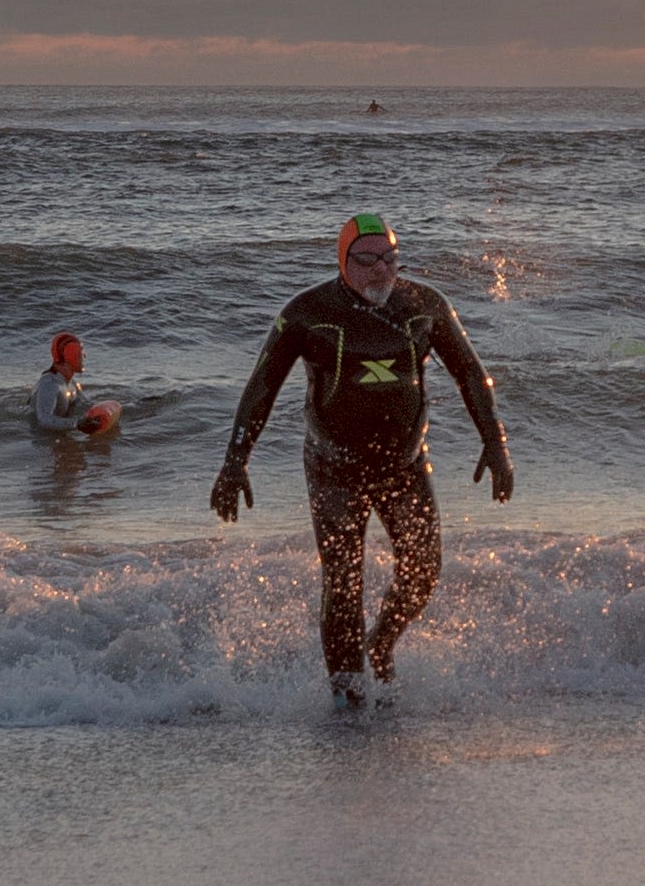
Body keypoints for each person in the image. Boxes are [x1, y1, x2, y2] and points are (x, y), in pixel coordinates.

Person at [210, 212, 513, 708]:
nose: (381, 270)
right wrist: (235, 461)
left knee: (423, 572)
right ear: (342, 260)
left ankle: (381, 647)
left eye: (390, 258)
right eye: (368, 259)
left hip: (405, 466)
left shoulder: (424, 306)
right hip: (335, 471)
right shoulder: (308, 313)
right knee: (344, 583)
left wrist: (495, 444)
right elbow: (261, 388)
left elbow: (472, 376)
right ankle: (347, 702)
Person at [31, 332, 118, 434]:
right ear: (70, 355)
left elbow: (85, 404)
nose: (84, 356)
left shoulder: (70, 383)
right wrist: (77, 424)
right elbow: (44, 420)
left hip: (58, 435)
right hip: (41, 440)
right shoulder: (50, 384)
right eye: (80, 352)